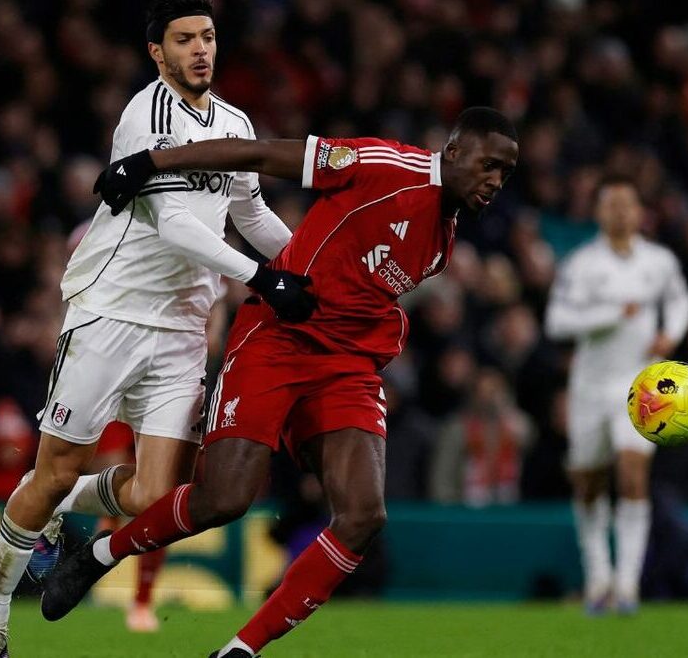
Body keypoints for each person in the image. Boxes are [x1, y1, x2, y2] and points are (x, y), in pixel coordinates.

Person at [41, 106, 519, 658]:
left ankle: (240, 651)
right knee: (223, 498)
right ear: (453, 152)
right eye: (489, 165)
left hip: (348, 365)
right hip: (277, 340)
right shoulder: (383, 165)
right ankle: (105, 553)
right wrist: (149, 161)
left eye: (505, 175)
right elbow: (261, 155)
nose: (495, 182)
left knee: (364, 516)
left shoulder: (445, 237)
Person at [0, 0, 315, 657]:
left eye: (207, 36)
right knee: (56, 468)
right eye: (184, 39)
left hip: (184, 327)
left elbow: (252, 213)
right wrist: (264, 277)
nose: (201, 49)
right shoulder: (145, 116)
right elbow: (173, 224)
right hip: (111, 313)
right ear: (157, 52)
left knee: (156, 493)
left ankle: (59, 509)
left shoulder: (236, 122)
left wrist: (308, 266)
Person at [544, 174, 688, 614]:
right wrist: (610, 315)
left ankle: (628, 585)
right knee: (589, 484)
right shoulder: (581, 264)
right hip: (590, 387)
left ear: (639, 212)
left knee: (632, 475)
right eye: (611, 205)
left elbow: (682, 300)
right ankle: (598, 578)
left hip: (641, 385)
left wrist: (671, 333)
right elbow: (556, 322)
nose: (620, 213)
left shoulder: (659, 261)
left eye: (627, 205)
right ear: (598, 212)